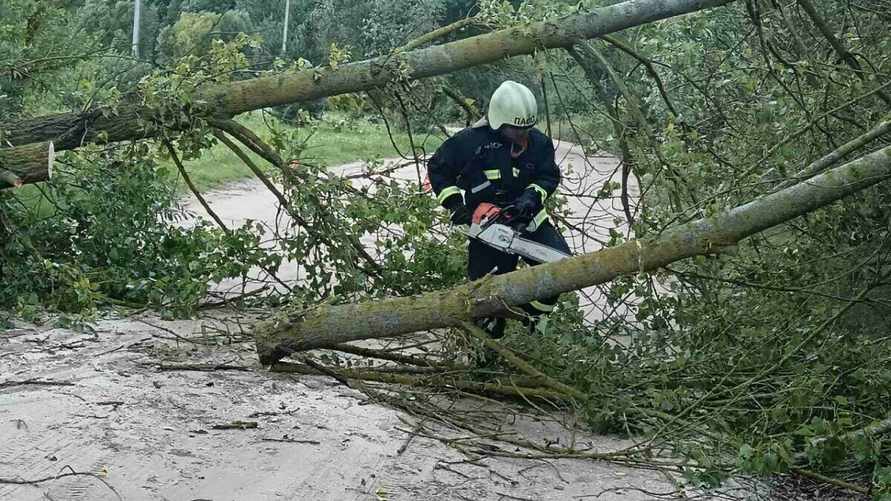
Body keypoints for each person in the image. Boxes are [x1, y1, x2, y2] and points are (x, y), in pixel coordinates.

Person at [427, 80, 572, 339]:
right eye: (516, 130)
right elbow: (438, 169)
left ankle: (531, 317)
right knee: (485, 296)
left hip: (529, 220)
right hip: (488, 227)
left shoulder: (539, 144)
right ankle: (485, 348)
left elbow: (548, 177)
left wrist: (531, 197)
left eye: (526, 128)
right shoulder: (470, 142)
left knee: (561, 270)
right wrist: (456, 205)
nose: (522, 136)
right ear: (498, 122)